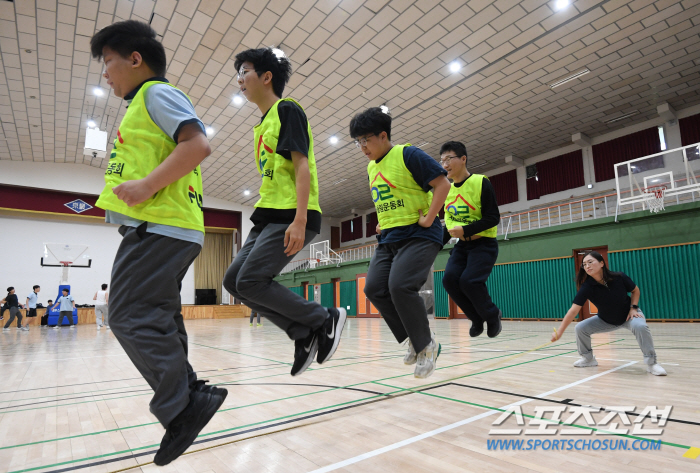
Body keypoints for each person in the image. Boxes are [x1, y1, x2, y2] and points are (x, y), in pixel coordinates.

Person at [90, 20, 226, 466]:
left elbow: (198, 144)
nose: (105, 72)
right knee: (157, 315)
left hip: (159, 225)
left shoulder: (155, 94)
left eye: (108, 61)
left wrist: (146, 186)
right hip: (163, 227)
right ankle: (189, 395)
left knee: (127, 314)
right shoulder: (139, 104)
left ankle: (182, 405)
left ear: (135, 58)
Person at [223, 47, 346, 377]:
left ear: (266, 77)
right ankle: (302, 332)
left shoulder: (287, 110)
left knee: (251, 279)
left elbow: (302, 166)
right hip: (266, 215)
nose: (239, 80)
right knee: (234, 281)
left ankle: (324, 318)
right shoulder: (260, 126)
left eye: (244, 71)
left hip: (290, 213)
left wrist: (300, 219)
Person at [350, 107, 451, 379]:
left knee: (400, 286)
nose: (362, 147)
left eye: (365, 140)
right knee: (374, 288)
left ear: (383, 136)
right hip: (389, 238)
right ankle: (414, 339)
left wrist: (430, 218)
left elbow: (443, 185)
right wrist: (384, 220)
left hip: (419, 235)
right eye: (357, 142)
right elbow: (388, 198)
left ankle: (426, 345)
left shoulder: (408, 154)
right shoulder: (371, 167)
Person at [552, 251, 667, 376]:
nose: (587, 266)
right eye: (584, 264)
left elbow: (635, 290)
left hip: (629, 315)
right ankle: (588, 359)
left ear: (602, 263)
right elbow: (573, 310)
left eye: (590, 262)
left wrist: (633, 308)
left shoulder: (619, 277)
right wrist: (560, 332)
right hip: (606, 320)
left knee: (640, 326)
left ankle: (652, 363)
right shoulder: (587, 287)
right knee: (580, 327)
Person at [439, 142, 502, 338]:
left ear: (463, 159)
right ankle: (475, 318)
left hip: (484, 244)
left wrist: (466, 229)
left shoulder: (480, 182)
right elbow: (448, 226)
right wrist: (433, 246)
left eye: (449, 159)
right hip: (463, 246)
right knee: (449, 280)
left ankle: (492, 316)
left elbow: (493, 217)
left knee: (469, 281)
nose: (445, 164)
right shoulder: (447, 190)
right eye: (442, 161)